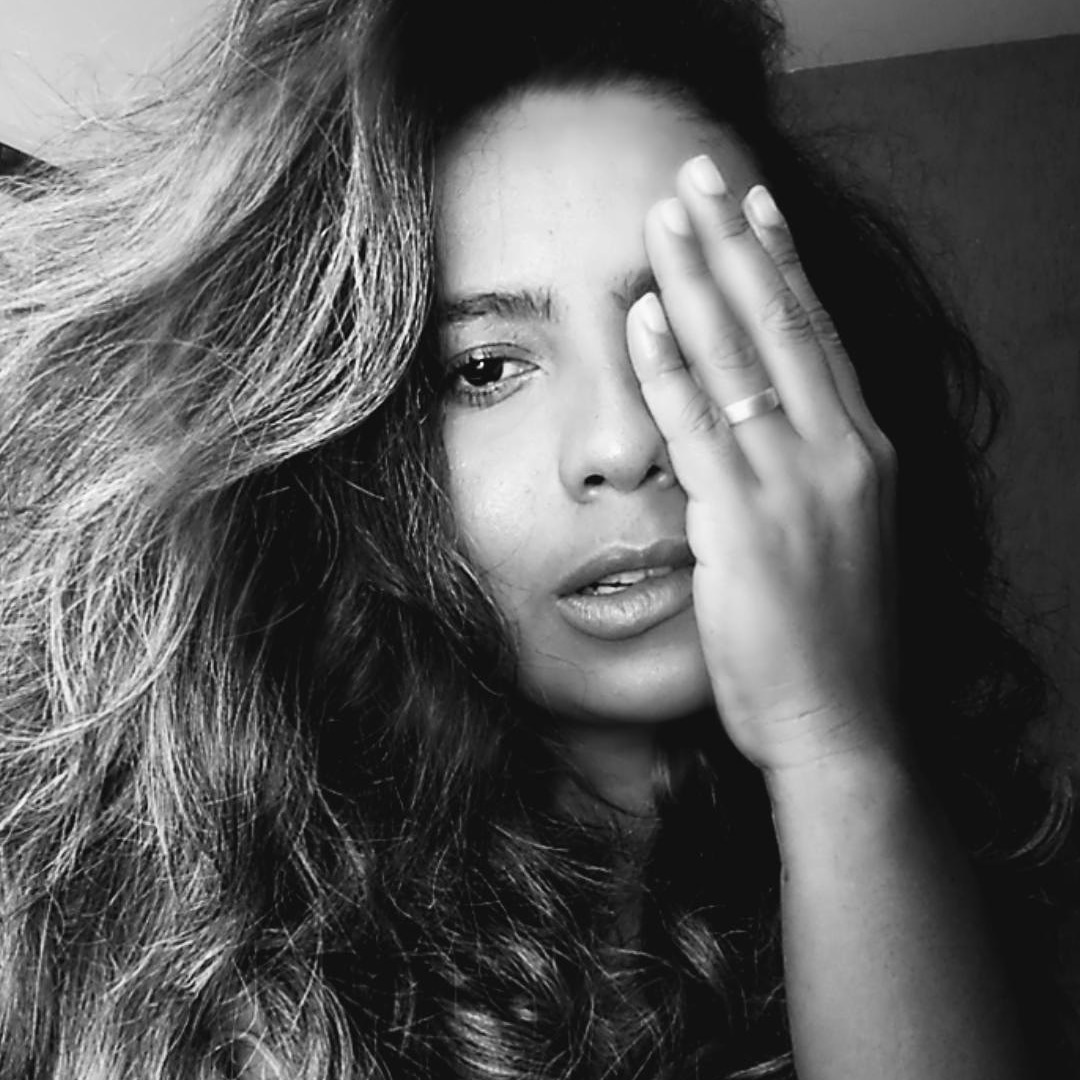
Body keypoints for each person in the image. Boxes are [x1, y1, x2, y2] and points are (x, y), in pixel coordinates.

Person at [0, 0, 1076, 1077]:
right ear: (336, 447)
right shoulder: (213, 956)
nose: (622, 445)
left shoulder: (967, 852)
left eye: (698, 332)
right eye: (484, 369)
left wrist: (837, 749)